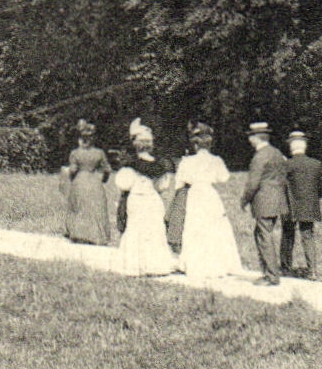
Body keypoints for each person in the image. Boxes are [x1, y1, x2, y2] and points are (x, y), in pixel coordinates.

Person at [171, 122, 243, 279]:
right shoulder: (216, 160)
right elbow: (224, 178)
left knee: (195, 227)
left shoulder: (187, 161)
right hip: (210, 195)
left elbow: (179, 183)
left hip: (195, 195)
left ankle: (196, 264)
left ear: (195, 144)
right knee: (215, 227)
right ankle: (218, 263)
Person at [111, 119, 176, 276]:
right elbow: (162, 185)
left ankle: (136, 264)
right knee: (153, 229)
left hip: (137, 199)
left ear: (135, 144)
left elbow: (123, 183)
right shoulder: (158, 164)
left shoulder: (131, 164)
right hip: (152, 200)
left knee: (135, 228)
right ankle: (155, 265)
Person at [239, 121, 289, 286]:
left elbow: (253, 183)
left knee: (264, 236)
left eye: (250, 137)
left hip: (264, 202)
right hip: (278, 201)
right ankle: (270, 272)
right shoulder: (276, 153)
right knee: (263, 234)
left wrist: (244, 200)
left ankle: (271, 275)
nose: (249, 140)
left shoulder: (259, 157)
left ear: (256, 138)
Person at [280, 129, 322, 279]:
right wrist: (313, 197)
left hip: (289, 205)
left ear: (291, 147)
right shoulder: (316, 164)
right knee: (308, 235)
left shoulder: (286, 165)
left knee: (288, 234)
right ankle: (312, 270)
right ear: (305, 146)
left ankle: (286, 268)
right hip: (309, 205)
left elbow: (279, 186)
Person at [63, 119, 114, 245]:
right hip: (94, 181)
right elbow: (107, 170)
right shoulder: (99, 153)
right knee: (96, 208)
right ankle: (97, 236)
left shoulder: (75, 153)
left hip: (79, 180)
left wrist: (71, 176)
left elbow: (73, 170)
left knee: (77, 206)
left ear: (81, 138)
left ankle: (77, 233)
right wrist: (103, 180)